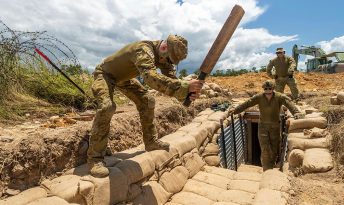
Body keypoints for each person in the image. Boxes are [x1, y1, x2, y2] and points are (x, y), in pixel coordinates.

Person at [88, 34, 203, 177]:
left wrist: (187, 93)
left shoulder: (164, 56)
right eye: (168, 59)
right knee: (107, 107)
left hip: (123, 79)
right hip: (105, 75)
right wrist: (185, 86)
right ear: (164, 47)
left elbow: (172, 80)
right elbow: (150, 78)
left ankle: (151, 141)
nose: (168, 62)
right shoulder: (143, 49)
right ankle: (95, 158)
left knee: (148, 100)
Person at [229, 80, 304, 171]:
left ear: (273, 89)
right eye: (266, 89)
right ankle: (266, 169)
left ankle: (272, 166)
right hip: (262, 127)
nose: (268, 91)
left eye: (270, 89)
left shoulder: (279, 97)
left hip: (275, 126)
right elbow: (248, 103)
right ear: (263, 89)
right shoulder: (259, 97)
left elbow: (289, 103)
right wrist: (236, 110)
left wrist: (296, 112)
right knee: (265, 148)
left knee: (274, 148)